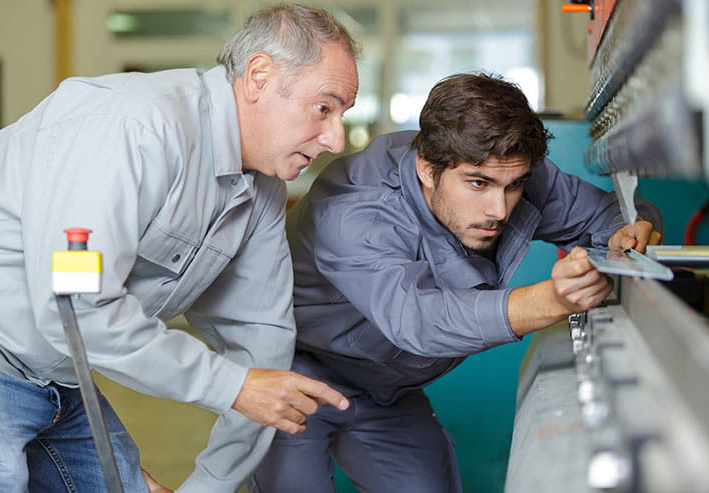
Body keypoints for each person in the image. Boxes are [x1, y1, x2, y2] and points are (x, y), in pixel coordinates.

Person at [0, 4, 359, 493]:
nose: (335, 138)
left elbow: (263, 346)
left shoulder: (260, 189)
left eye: (344, 115)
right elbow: (74, 305)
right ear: (259, 76)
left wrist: (209, 485)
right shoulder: (133, 127)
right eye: (324, 108)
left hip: (60, 377)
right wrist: (232, 387)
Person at [250, 73, 662, 492]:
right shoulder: (357, 214)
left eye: (514, 185)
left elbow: (610, 216)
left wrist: (629, 232)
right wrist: (550, 301)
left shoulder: (504, 167)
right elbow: (418, 319)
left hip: (386, 388)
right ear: (427, 169)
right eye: (478, 184)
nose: (498, 210)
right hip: (290, 375)